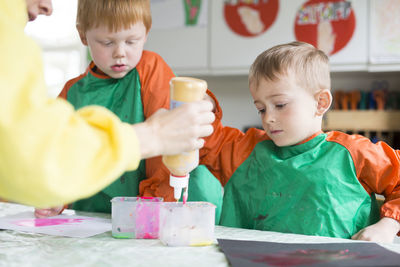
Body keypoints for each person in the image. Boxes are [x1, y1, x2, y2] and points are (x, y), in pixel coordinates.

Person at [144, 42, 400, 243]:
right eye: (261, 109)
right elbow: (204, 136)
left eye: (280, 105)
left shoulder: (353, 153)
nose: (269, 118)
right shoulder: (244, 151)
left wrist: (388, 224)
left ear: (320, 103)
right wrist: (204, 105)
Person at [0, 0, 214, 209]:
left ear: (146, 33)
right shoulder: (72, 91)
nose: (120, 52)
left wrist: (149, 208)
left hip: (141, 215)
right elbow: (55, 158)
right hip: (88, 220)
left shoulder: (151, 71)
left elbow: (166, 157)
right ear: (83, 35)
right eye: (107, 42)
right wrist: (58, 201)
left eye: (131, 41)